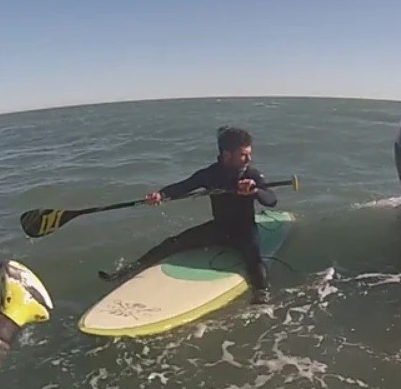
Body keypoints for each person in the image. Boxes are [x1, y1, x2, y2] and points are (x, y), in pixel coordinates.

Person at [101, 126, 277, 304]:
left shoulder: (251, 175)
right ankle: (126, 272)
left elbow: (271, 199)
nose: (249, 158)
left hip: (244, 232)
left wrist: (254, 191)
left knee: (254, 262)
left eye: (249, 153)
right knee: (172, 243)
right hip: (219, 228)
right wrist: (160, 195)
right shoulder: (210, 174)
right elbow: (183, 186)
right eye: (243, 154)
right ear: (227, 155)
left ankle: (262, 300)